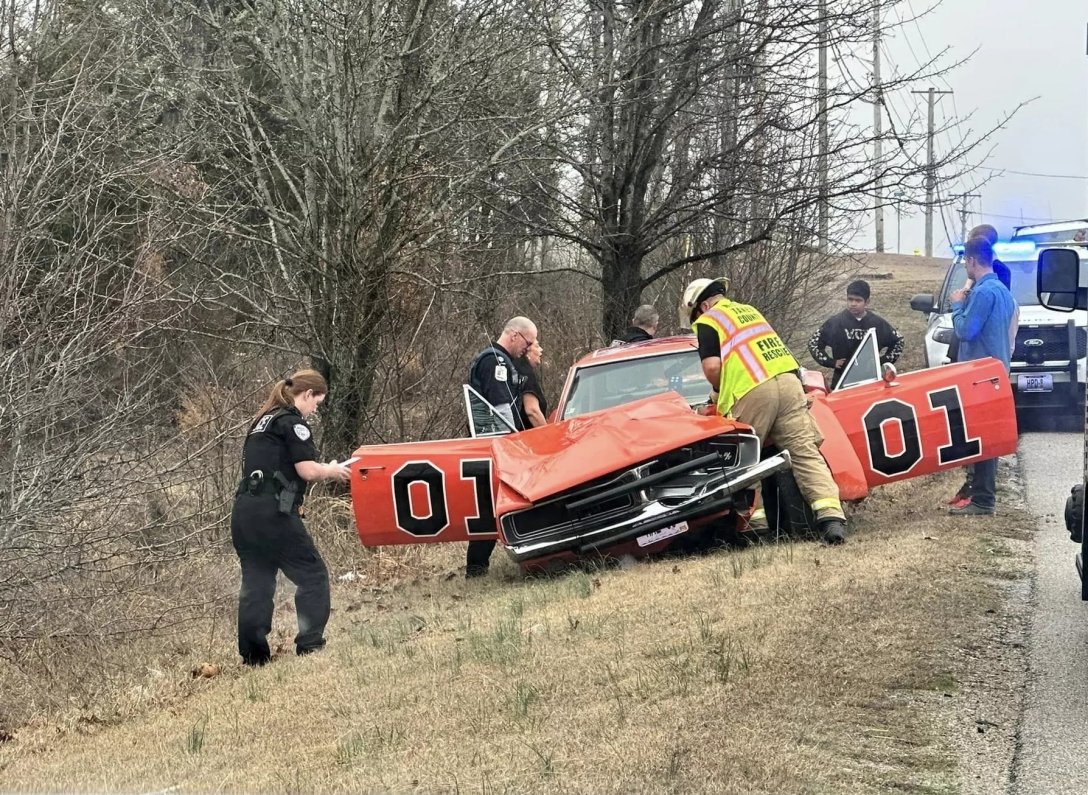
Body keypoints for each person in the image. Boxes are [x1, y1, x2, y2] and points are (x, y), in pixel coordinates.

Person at [682, 277, 849, 544]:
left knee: (745, 459)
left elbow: (714, 369)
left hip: (753, 390)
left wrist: (717, 394)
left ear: (702, 305)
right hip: (788, 382)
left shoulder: (709, 321)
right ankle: (831, 518)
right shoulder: (750, 312)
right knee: (805, 452)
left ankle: (754, 528)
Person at [231, 369, 350, 666]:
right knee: (313, 575)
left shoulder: (261, 422)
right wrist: (332, 470)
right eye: (317, 403)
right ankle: (310, 645)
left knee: (257, 583)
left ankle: (254, 657)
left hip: (245, 513)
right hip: (274, 513)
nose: (314, 410)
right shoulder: (292, 423)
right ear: (307, 395)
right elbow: (307, 470)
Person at [947, 237, 1016, 516]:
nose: (965, 265)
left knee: (983, 436)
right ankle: (981, 495)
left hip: (980, 375)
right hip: (997, 371)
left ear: (973, 260)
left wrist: (956, 305)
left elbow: (966, 331)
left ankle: (983, 499)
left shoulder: (983, 293)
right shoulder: (1003, 291)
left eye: (966, 260)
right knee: (990, 435)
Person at [465, 317, 538, 577]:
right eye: (527, 343)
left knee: (494, 505)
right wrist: (517, 444)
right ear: (515, 335)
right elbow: (502, 410)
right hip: (498, 446)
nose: (527, 349)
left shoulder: (502, 361)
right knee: (492, 505)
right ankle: (476, 567)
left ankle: (479, 565)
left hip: (498, 445)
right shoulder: (495, 361)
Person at [808, 280, 904, 388]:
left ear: (867, 302)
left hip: (871, 380)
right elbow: (813, 343)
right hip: (841, 381)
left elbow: (899, 341)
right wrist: (831, 362)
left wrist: (880, 362)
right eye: (850, 299)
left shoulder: (877, 323)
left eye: (858, 300)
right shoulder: (836, 322)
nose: (853, 304)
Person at [515, 341, 549, 429]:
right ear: (526, 350)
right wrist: (548, 435)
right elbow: (532, 411)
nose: (541, 350)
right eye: (537, 346)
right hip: (527, 436)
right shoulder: (525, 373)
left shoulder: (515, 369)